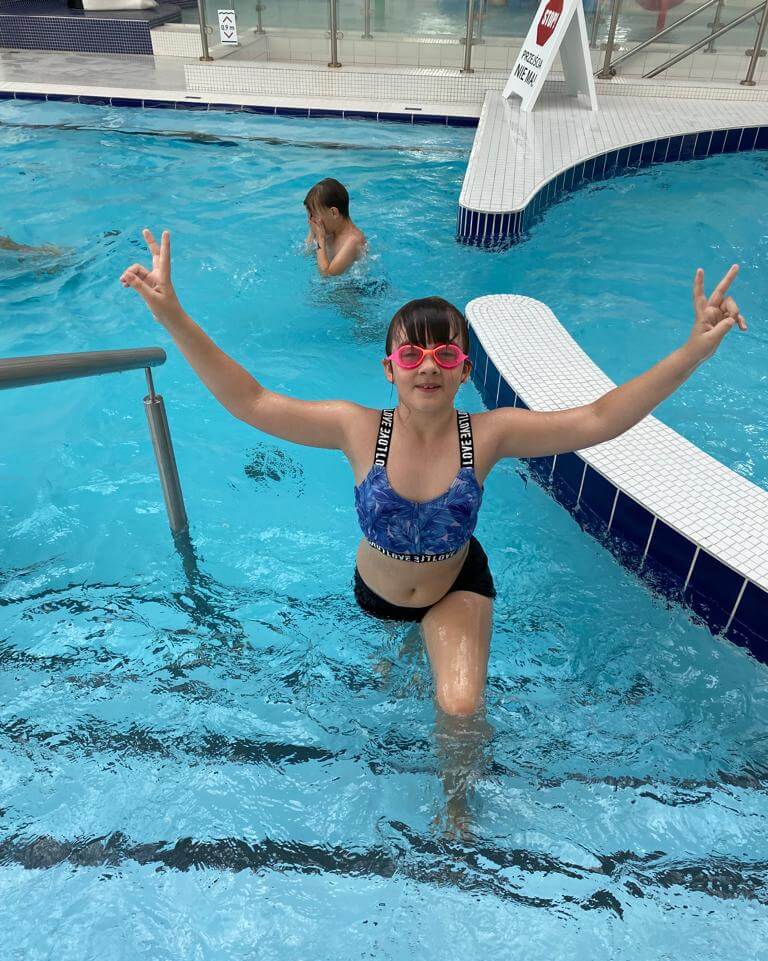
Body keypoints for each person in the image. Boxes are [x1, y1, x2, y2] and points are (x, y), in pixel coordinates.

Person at [120, 229, 746, 722]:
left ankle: (456, 815)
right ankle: (408, 648)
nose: (428, 366)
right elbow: (251, 401)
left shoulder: (488, 435)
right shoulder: (357, 429)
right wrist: (172, 315)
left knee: (461, 709)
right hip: (377, 596)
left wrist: (695, 347)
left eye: (445, 354)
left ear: (465, 370)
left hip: (455, 585)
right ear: (389, 368)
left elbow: (600, 419)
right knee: (393, 683)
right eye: (412, 354)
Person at [303, 178, 366, 277]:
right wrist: (312, 229)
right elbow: (307, 252)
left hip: (354, 285)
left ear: (333, 213)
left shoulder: (353, 240)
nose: (312, 220)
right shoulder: (329, 230)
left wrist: (320, 238)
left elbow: (327, 274)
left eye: (314, 215)